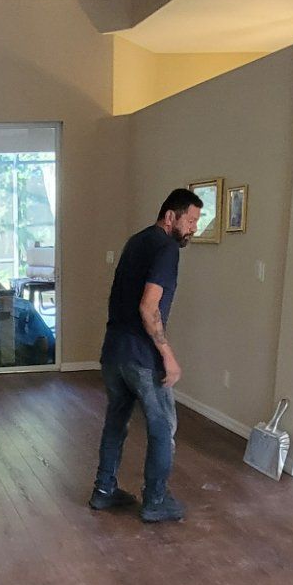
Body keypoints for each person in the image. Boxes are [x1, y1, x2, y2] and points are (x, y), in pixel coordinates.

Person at [91, 187, 201, 523]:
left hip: (113, 350)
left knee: (117, 421)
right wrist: (167, 353)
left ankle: (104, 491)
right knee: (162, 425)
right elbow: (148, 305)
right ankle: (155, 500)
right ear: (171, 217)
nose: (195, 228)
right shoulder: (167, 248)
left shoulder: (136, 241)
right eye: (192, 220)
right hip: (141, 355)